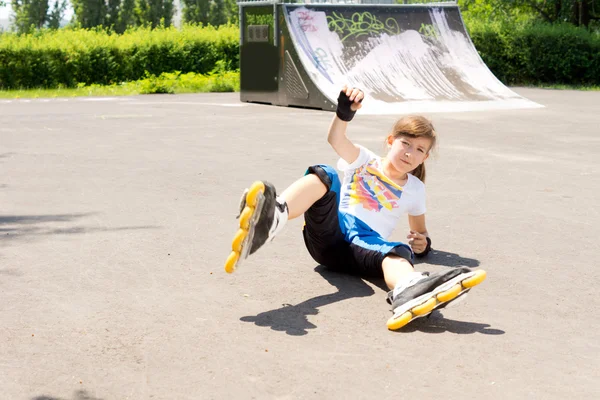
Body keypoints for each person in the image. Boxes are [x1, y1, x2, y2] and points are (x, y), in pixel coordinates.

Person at [225, 86, 486, 330]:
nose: (409, 153)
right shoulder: (364, 159)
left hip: (364, 248)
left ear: (425, 157)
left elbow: (421, 233)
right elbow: (335, 138)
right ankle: (274, 216)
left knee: (397, 252)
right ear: (390, 141)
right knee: (326, 175)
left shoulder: (415, 188)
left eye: (419, 149)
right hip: (329, 234)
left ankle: (409, 290)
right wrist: (344, 114)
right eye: (405, 143)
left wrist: (423, 244)